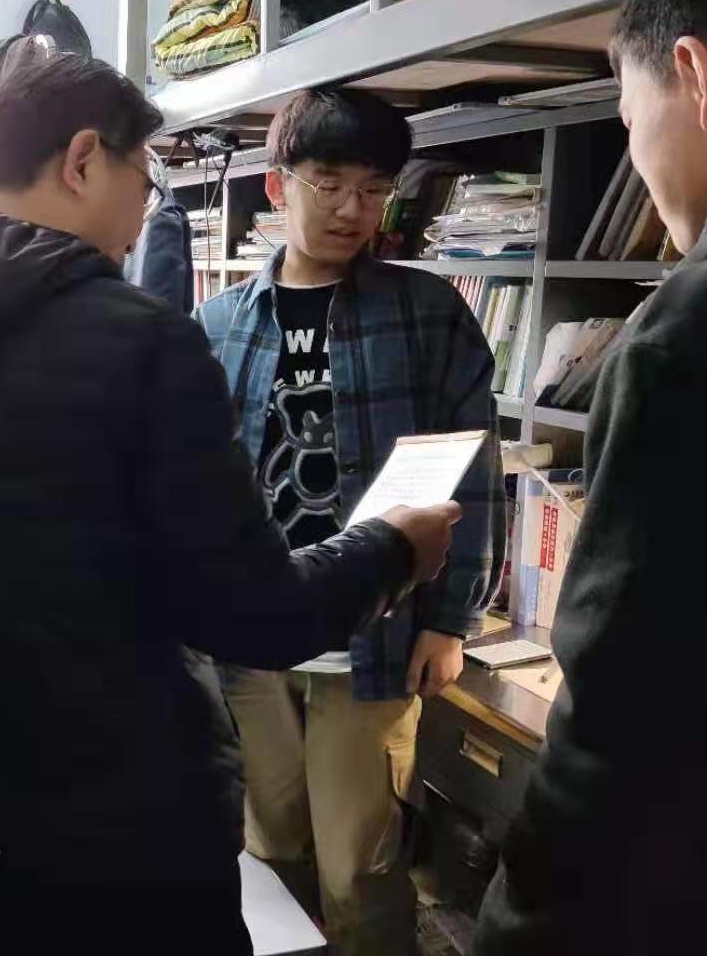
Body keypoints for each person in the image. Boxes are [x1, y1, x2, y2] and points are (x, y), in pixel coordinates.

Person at [0, 52, 463, 955]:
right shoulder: (140, 340)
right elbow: (255, 613)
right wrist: (395, 548)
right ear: (84, 160)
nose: (142, 213)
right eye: (145, 178)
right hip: (124, 825)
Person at [475, 0, 707, 955]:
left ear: (696, 75)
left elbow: (627, 719)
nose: (634, 146)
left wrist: (518, 930)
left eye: (625, 104)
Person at [194, 88, 503, 956]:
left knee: (362, 869)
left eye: (373, 189)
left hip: (375, 638)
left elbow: (474, 470)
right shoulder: (217, 323)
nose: (351, 210)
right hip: (252, 643)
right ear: (277, 185)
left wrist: (450, 621)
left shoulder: (427, 312)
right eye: (328, 183)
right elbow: (198, 488)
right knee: (270, 850)